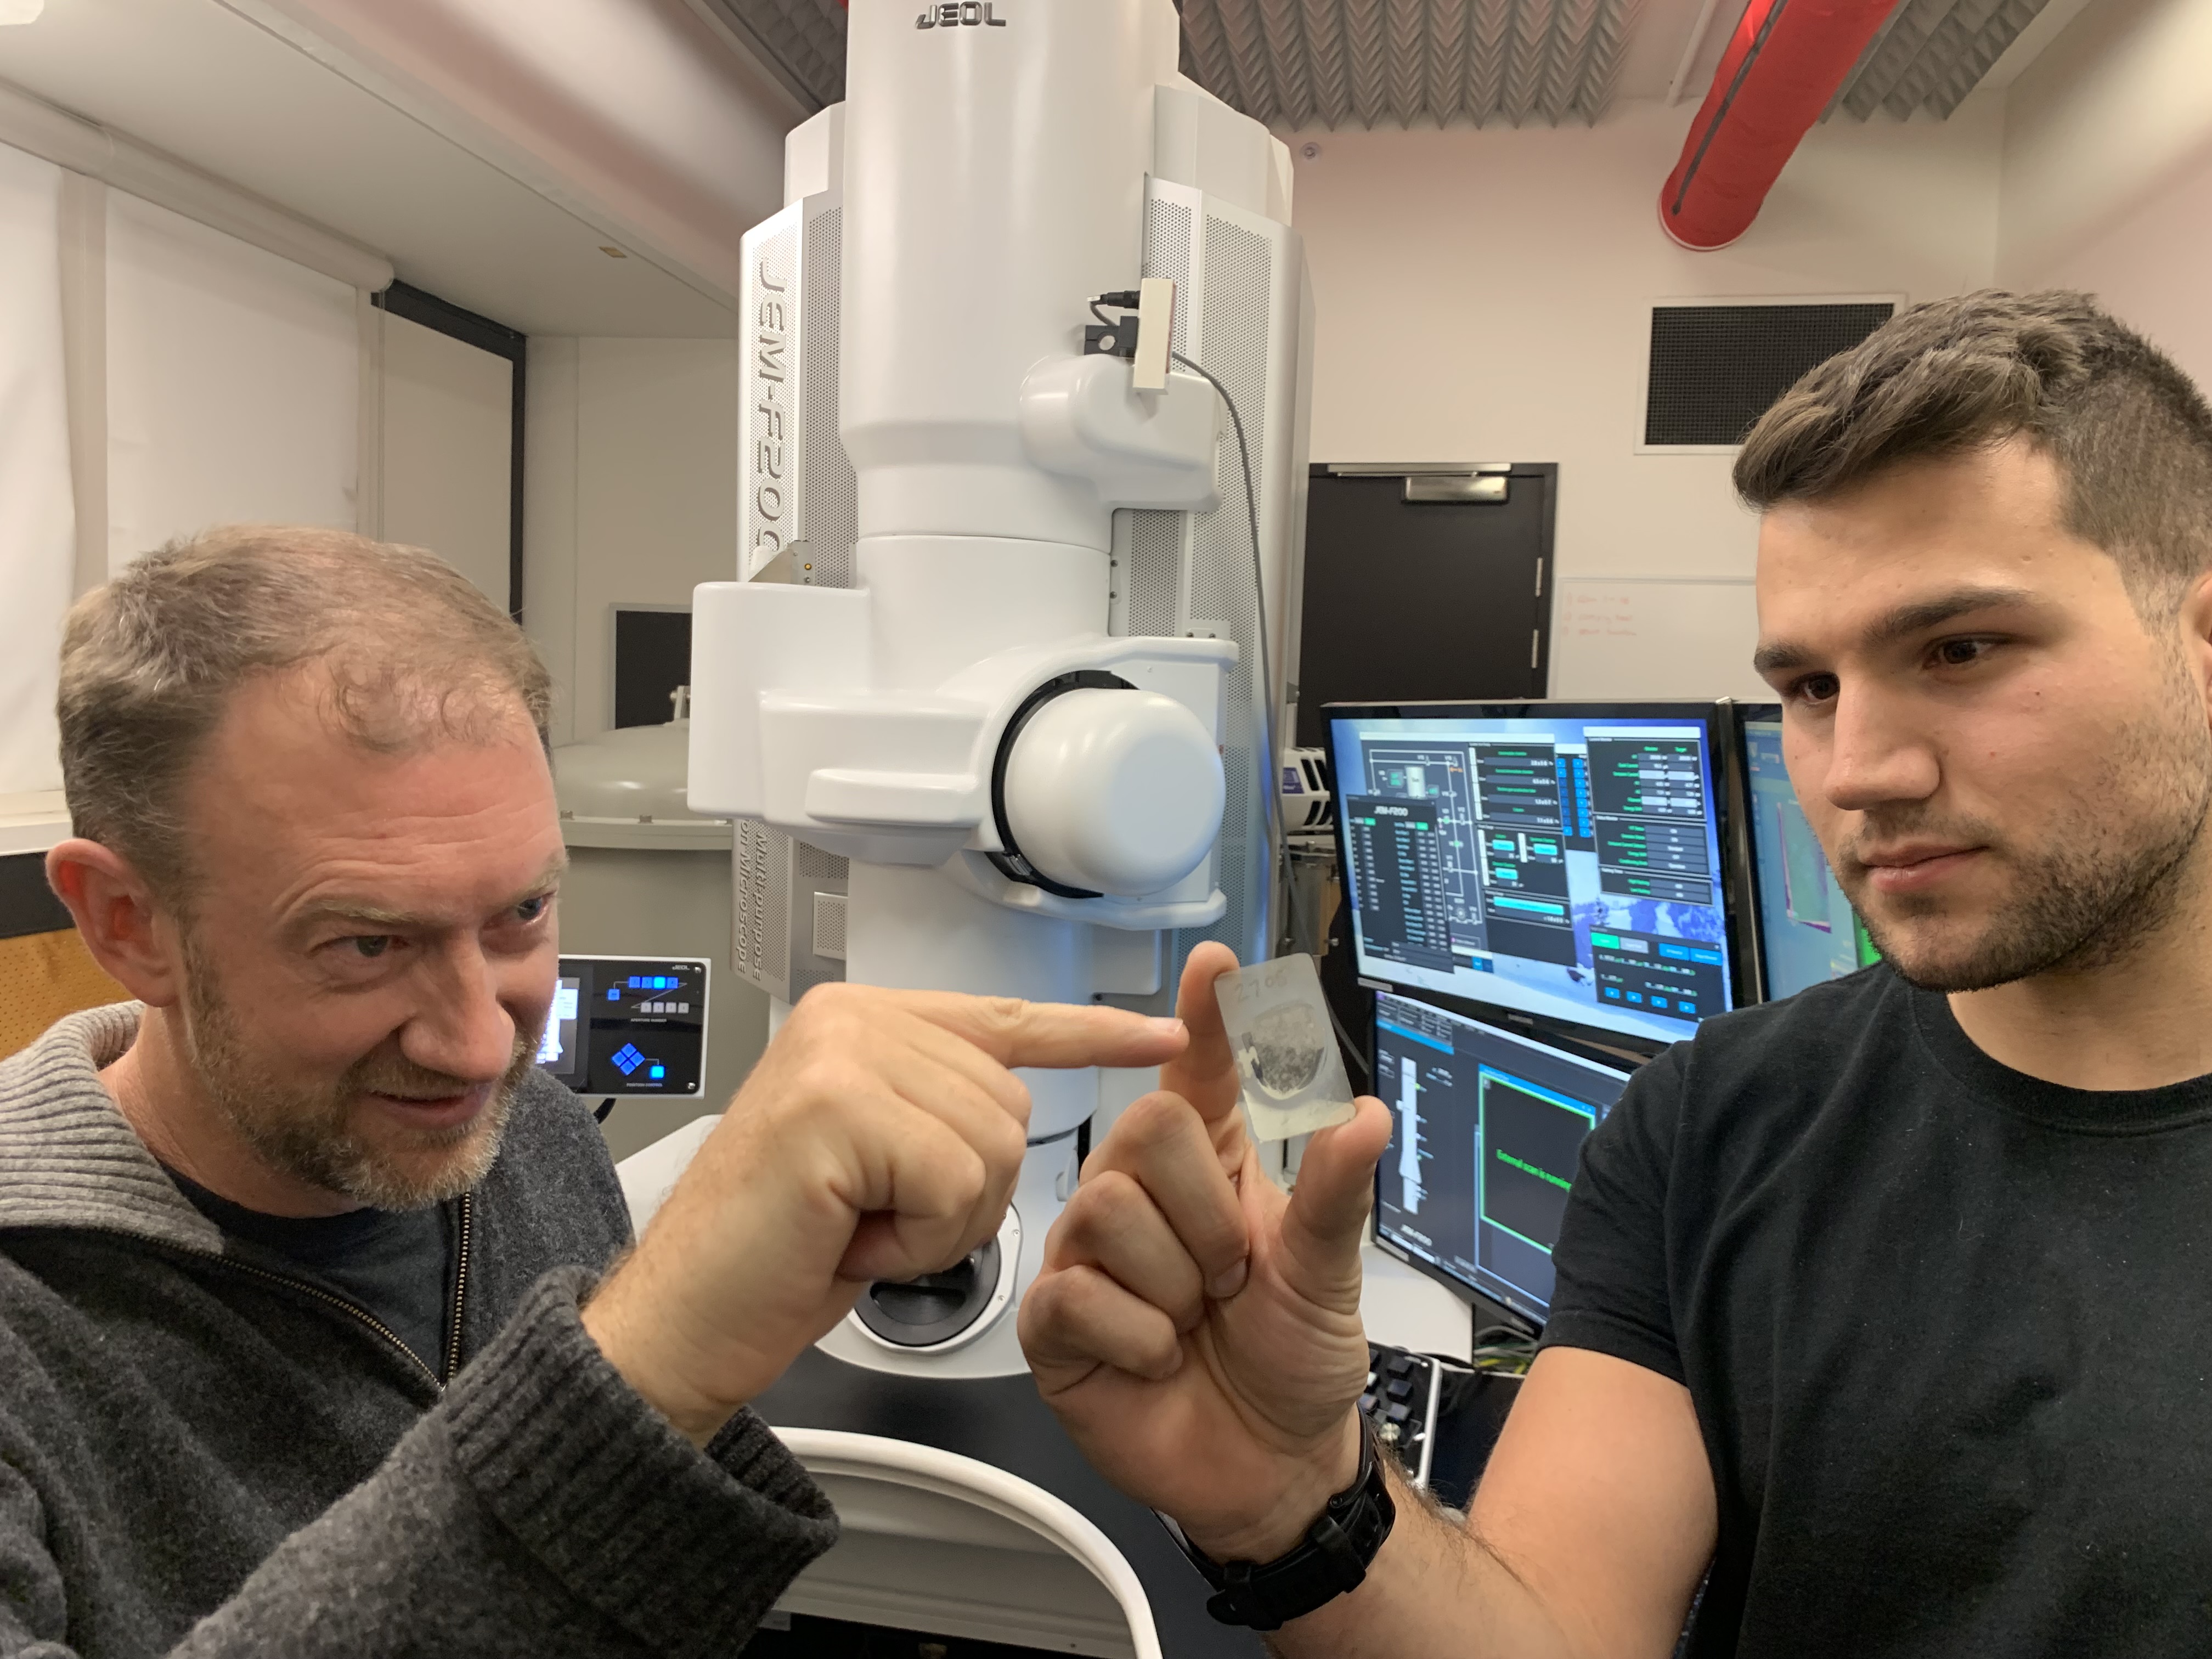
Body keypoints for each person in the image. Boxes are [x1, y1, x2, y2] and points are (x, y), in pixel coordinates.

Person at [1020, 289, 2212, 1657]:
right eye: (1811, 688)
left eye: (1961, 650)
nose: (1860, 771)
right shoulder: (1714, 1128)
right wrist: (1301, 1503)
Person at [1, 526, 1189, 1658]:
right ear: (127, 922)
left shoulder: (536, 1140)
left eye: (520, 914)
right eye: (366, 945)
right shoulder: (34, 1326)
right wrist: (647, 1359)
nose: (478, 1049)